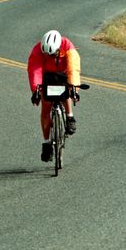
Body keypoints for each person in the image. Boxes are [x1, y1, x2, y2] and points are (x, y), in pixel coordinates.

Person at [27, 29, 81, 162]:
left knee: (67, 89)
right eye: (48, 55)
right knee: (45, 109)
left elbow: (73, 68)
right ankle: (46, 144)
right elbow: (35, 70)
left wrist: (74, 87)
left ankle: (70, 117)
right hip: (47, 76)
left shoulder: (67, 46)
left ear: (59, 48)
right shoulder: (37, 50)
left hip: (63, 74)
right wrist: (35, 90)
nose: (50, 57)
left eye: (53, 54)